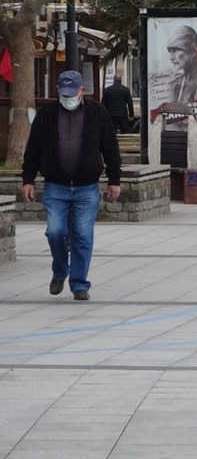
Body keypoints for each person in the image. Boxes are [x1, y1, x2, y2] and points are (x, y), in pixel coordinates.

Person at [21, 70, 122, 301]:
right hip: (56, 186)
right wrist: (28, 179)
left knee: (83, 235)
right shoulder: (46, 115)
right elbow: (33, 149)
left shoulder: (98, 113)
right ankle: (60, 270)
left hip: (87, 186)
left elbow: (110, 148)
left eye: (72, 93)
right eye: (63, 93)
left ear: (81, 90)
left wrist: (114, 180)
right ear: (58, 90)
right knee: (55, 231)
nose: (68, 98)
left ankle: (79, 284)